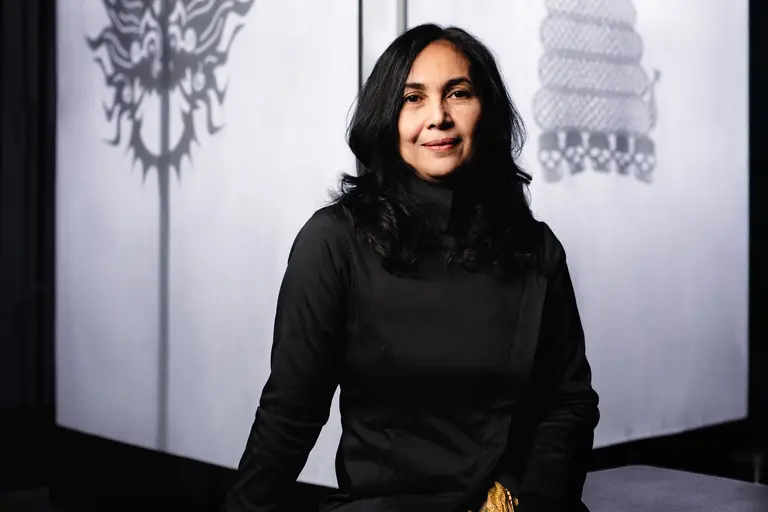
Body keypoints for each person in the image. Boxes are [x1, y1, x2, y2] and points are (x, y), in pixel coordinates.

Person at [221, 24, 599, 512]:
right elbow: (290, 414)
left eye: (458, 94)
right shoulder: (334, 242)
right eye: (413, 98)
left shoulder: (535, 248)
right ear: (386, 117)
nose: (438, 117)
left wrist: (534, 502)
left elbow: (568, 405)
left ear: (486, 110)